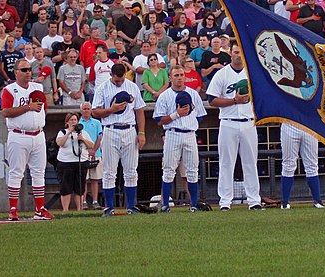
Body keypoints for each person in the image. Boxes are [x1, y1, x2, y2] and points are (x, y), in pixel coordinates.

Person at [207, 42, 262, 210]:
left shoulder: (252, 73)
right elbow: (211, 100)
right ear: (230, 53)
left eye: (241, 52)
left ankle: (254, 201)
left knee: (250, 163)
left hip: (248, 122)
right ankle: (225, 202)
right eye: (235, 52)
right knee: (226, 163)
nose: (238, 55)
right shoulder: (222, 74)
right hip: (228, 122)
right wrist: (234, 101)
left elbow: (261, 96)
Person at [1, 59, 54, 221]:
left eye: (29, 69)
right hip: (18, 134)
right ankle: (13, 209)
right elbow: (6, 112)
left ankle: (40, 209)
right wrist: (27, 108)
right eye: (24, 70)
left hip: (37, 134)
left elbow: (44, 107)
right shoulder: (10, 90)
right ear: (16, 72)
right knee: (16, 172)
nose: (28, 72)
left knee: (39, 172)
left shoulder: (37, 87)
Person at [92, 62, 146, 216]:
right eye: (117, 80)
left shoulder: (132, 86)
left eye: (121, 80)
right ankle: (109, 207)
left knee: (131, 170)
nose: (120, 83)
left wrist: (141, 132)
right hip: (111, 128)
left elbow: (139, 110)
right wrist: (111, 110)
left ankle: (131, 206)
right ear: (111, 75)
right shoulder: (103, 88)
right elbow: (95, 111)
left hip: (129, 129)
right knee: (109, 171)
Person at [153, 66, 207, 212]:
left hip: (190, 133)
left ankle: (194, 204)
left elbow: (200, 115)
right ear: (170, 78)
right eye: (176, 75)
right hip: (173, 133)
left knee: (192, 170)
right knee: (169, 170)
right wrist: (176, 115)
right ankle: (165, 205)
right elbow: (159, 120)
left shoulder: (193, 94)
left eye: (182, 75)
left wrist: (190, 121)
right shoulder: (164, 96)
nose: (179, 77)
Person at [55, 112, 94, 212]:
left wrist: (83, 139)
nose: (73, 122)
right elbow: (59, 143)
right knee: (66, 188)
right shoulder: (62, 132)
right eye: (71, 120)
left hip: (81, 162)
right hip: (65, 162)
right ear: (67, 122)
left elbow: (91, 145)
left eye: (75, 120)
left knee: (79, 187)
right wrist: (69, 133)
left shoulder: (83, 133)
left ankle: (79, 209)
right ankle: (65, 210)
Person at [76, 102, 103, 209]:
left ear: (91, 110)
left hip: (96, 154)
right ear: (81, 111)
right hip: (82, 155)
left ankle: (95, 201)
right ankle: (83, 202)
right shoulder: (78, 123)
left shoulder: (96, 123)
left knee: (95, 179)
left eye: (88, 108)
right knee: (83, 179)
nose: (86, 110)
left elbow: (99, 137)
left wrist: (94, 150)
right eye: (84, 109)